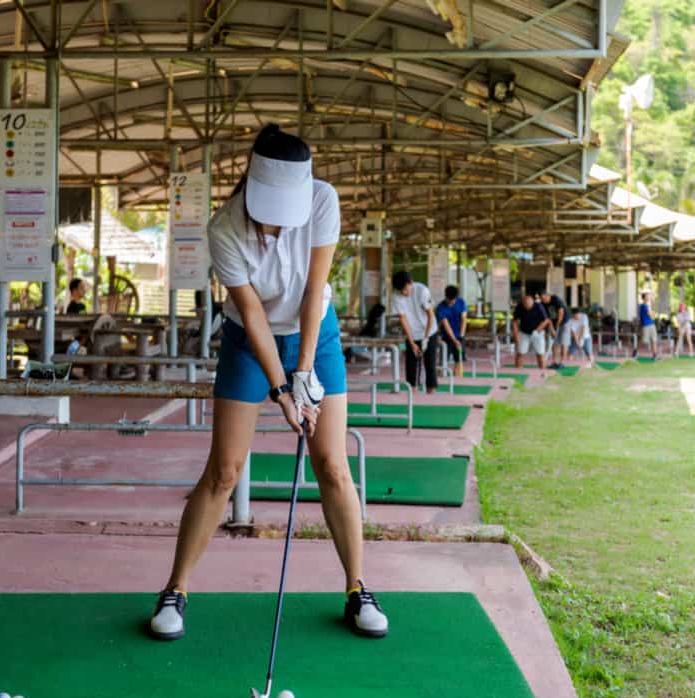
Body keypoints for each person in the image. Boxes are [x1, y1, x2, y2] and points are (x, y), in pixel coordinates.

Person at [149, 124, 386, 642]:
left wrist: (303, 372)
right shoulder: (224, 227)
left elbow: (313, 291)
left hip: (314, 335)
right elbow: (252, 313)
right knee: (225, 471)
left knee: (331, 463)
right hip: (247, 338)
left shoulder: (322, 202)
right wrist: (281, 389)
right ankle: (176, 589)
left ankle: (356, 588)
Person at [391, 271, 440, 394]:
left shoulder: (422, 291)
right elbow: (403, 319)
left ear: (410, 283)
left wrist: (426, 337)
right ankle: (412, 392)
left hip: (429, 330)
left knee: (430, 363)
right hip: (412, 333)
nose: (403, 293)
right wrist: (412, 342)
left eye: (405, 289)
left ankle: (431, 392)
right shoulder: (395, 296)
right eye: (400, 290)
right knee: (411, 364)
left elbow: (430, 315)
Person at [512, 294, 551, 370]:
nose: (527, 306)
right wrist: (516, 335)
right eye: (525, 305)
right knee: (520, 352)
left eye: (528, 305)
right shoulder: (519, 307)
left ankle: (542, 371)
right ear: (523, 303)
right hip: (524, 332)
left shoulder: (539, 307)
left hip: (538, 333)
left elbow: (546, 320)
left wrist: (537, 330)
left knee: (540, 353)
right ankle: (517, 371)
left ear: (533, 302)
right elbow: (514, 321)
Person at [436, 285, 468, 377]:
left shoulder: (461, 302)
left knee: (459, 359)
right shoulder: (441, 307)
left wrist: (461, 337)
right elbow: (446, 326)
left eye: (453, 300)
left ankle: (458, 378)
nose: (451, 302)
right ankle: (441, 378)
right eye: (449, 300)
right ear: (445, 296)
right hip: (446, 337)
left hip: (460, 335)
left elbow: (463, 320)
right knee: (443, 359)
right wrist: (455, 340)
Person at [540, 290, 569, 369]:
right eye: (542, 299)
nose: (543, 300)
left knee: (564, 342)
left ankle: (562, 362)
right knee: (555, 343)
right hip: (554, 323)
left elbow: (561, 312)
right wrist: (553, 329)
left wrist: (557, 326)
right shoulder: (543, 304)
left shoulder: (555, 299)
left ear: (548, 295)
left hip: (564, 322)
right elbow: (548, 318)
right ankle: (554, 362)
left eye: (544, 298)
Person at [637, 292, 658, 358]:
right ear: (644, 298)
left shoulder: (648, 305)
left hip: (652, 324)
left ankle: (654, 355)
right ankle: (636, 350)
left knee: (654, 339)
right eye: (647, 296)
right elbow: (650, 314)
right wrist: (653, 312)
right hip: (646, 325)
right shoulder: (642, 306)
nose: (648, 297)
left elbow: (652, 315)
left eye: (648, 296)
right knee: (644, 342)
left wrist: (653, 312)